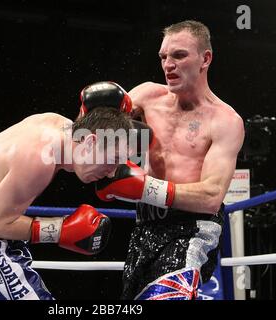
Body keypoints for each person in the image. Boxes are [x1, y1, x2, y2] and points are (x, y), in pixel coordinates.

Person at [95, 20, 245, 299]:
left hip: (193, 229)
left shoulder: (225, 121)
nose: (168, 65)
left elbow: (212, 196)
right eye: (164, 57)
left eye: (179, 55)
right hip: (145, 225)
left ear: (205, 59)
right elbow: (92, 138)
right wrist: (92, 122)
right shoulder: (147, 96)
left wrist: (142, 188)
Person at [0, 93, 134, 300]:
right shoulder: (40, 158)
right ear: (91, 142)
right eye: (114, 159)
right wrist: (60, 230)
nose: (112, 172)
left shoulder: (63, 128)